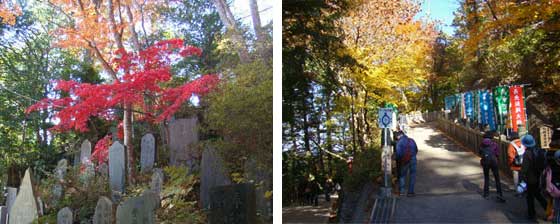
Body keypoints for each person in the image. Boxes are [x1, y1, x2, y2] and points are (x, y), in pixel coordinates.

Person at [519, 134, 548, 220]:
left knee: (530, 197)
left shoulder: (527, 154)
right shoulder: (538, 151)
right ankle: (548, 209)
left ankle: (531, 214)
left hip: (530, 178)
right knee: (537, 194)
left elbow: (524, 168)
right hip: (538, 175)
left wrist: (522, 178)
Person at [479, 131, 506, 202]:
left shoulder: (482, 144)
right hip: (494, 162)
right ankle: (499, 193)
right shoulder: (494, 144)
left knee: (486, 177)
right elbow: (497, 153)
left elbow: (480, 153)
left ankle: (486, 193)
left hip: (485, 162)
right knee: (497, 178)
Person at [395, 131, 418, 197]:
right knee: (412, 175)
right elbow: (416, 150)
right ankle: (410, 192)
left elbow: (399, 154)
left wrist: (399, 160)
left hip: (405, 161)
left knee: (403, 175)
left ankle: (402, 192)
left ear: (399, 136)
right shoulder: (411, 140)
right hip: (413, 159)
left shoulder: (399, 143)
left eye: (396, 137)